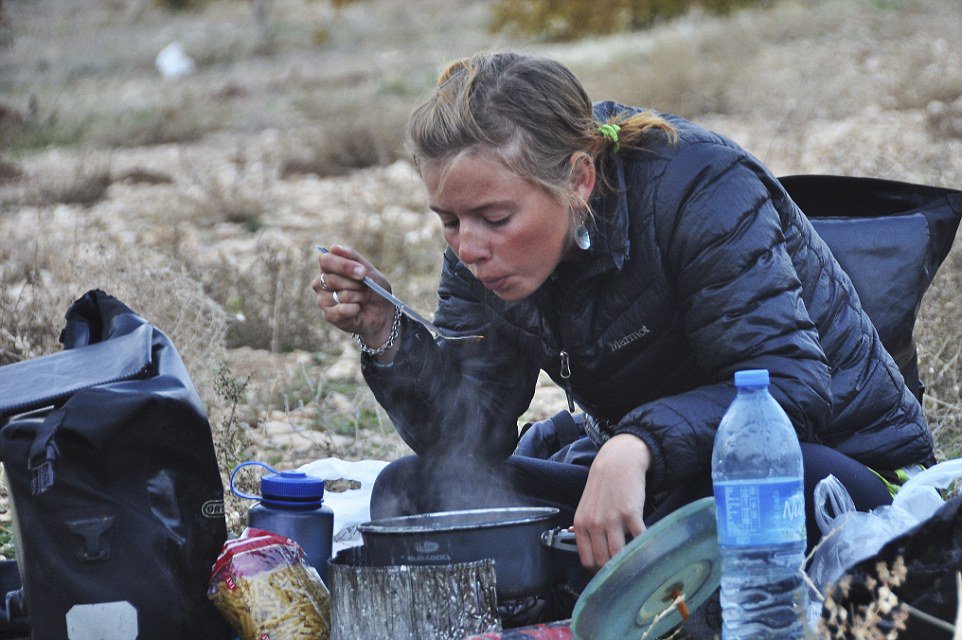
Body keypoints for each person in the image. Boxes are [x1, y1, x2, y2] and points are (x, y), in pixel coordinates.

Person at [312, 51, 934, 606]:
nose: (469, 247)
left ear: (579, 178)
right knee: (416, 495)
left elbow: (792, 388)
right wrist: (387, 336)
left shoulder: (701, 187)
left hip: (839, 471)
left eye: (494, 217)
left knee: (766, 497)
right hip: (661, 482)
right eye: (448, 220)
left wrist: (636, 446)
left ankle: (608, 589)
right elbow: (468, 441)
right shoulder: (478, 255)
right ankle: (619, 592)